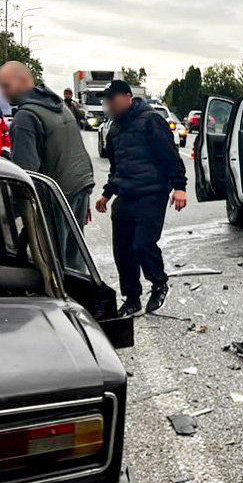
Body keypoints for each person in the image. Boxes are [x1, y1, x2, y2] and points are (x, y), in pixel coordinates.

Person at [93, 80, 187, 316]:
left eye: (113, 100)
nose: (109, 105)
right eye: (107, 101)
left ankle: (159, 283)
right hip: (125, 194)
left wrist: (179, 187)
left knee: (142, 244)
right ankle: (132, 297)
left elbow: (170, 156)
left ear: (127, 97)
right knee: (122, 250)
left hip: (151, 193)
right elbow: (118, 167)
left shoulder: (150, 121)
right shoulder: (114, 129)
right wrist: (107, 194)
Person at [0, 61, 95, 227]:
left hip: (55, 199)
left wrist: (9, 213)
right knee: (73, 251)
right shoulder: (60, 106)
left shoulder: (26, 117)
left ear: (24, 80)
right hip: (78, 189)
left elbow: (26, 175)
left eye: (6, 86)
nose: (3, 92)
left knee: (52, 252)